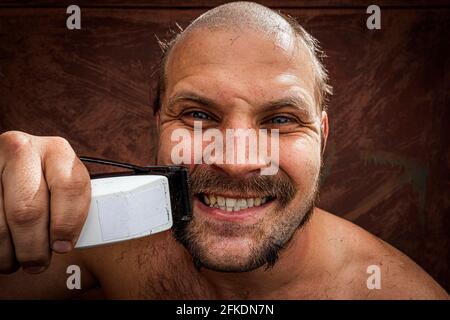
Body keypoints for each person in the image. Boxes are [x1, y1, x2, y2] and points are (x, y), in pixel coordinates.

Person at [0, 2, 447, 299]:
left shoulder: (394, 293)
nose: (236, 161)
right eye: (197, 115)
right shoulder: (103, 233)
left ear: (322, 137)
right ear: (159, 125)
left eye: (279, 120)